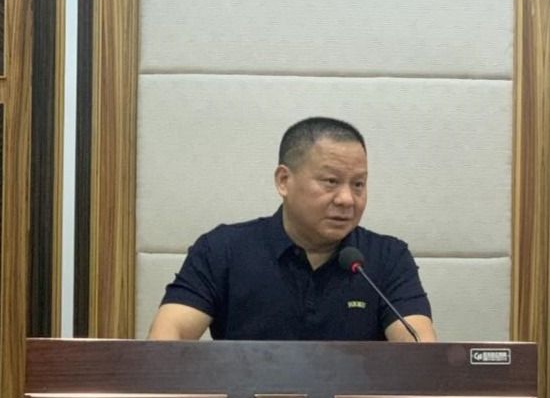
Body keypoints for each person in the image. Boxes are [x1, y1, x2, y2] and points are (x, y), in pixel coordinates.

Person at [148, 117, 436, 342]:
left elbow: (418, 349)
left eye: (358, 184)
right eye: (331, 182)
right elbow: (169, 336)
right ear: (284, 181)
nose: (347, 199)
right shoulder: (223, 250)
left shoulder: (387, 258)